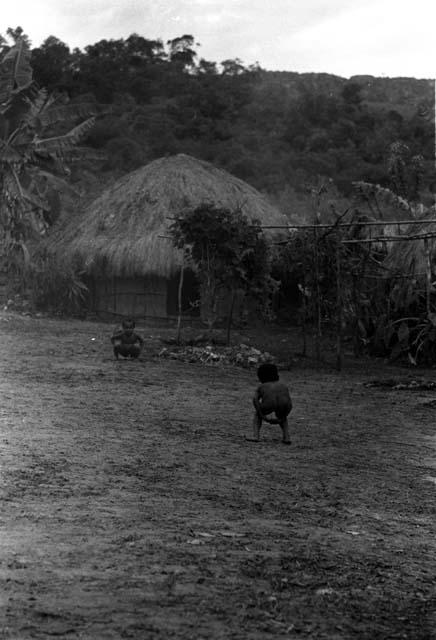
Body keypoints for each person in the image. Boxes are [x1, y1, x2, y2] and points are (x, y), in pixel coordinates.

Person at [247, 363, 292, 445]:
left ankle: (255, 436)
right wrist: (284, 415)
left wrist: (261, 415)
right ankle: (286, 437)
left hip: (269, 404)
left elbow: (255, 399)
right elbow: (288, 401)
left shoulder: (262, 386)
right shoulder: (283, 386)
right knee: (283, 416)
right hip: (284, 405)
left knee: (257, 416)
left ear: (261, 376)